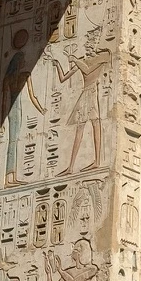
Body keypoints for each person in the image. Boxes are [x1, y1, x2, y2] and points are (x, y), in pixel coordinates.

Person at [49, 31, 111, 176]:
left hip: (93, 92)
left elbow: (88, 70)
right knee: (80, 129)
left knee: (96, 124)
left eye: (91, 42)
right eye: (88, 42)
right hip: (85, 94)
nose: (88, 45)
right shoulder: (83, 60)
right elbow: (64, 78)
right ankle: (70, 167)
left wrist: (76, 60)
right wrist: (58, 64)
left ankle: (97, 161)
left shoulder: (102, 56)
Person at [2, 29, 44, 185]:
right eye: (23, 60)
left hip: (12, 110)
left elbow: (4, 102)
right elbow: (33, 97)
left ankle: (10, 177)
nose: (26, 62)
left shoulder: (9, 78)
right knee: (14, 141)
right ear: (19, 63)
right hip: (16, 109)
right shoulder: (24, 75)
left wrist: (2, 119)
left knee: (14, 140)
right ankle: (9, 178)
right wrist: (41, 110)